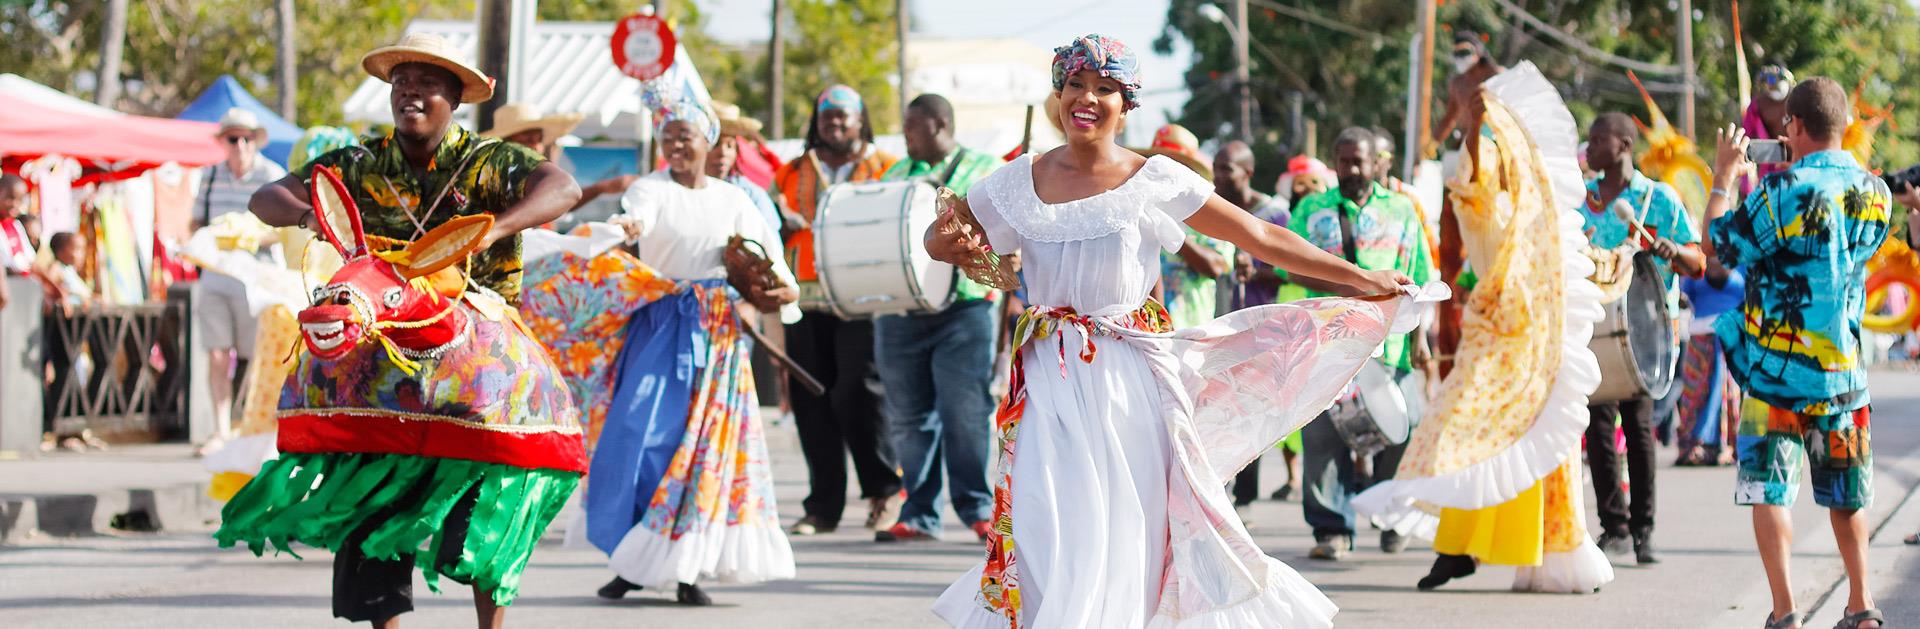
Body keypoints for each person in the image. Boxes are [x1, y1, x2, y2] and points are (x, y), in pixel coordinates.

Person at [926, 34, 1418, 628]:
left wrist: (1358, 276)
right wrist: (961, 246)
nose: (1087, 98)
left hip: (1126, 381)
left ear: (1127, 103)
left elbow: (1259, 238)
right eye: (1075, 84)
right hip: (1046, 379)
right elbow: (943, 237)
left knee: (1126, 523)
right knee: (1044, 515)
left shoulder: (1155, 178)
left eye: (1106, 88)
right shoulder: (1014, 180)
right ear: (1058, 92)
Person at [236, 33, 583, 627]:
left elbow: (564, 189)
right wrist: (310, 217)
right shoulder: (360, 162)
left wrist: (497, 228)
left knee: (484, 489)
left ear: (455, 97)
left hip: (478, 343)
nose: (411, 93)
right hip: (382, 347)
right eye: (402, 84)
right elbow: (265, 197)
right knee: (371, 487)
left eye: (427, 83)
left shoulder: (489, 160)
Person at [1353, 61, 1615, 596]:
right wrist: (1473, 129)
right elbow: (1469, 187)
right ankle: (1456, 549)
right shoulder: (1485, 187)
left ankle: (1549, 554)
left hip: (1540, 334)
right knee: (1461, 428)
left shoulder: (1540, 198)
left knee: (1545, 437)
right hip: (1495, 332)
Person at [584, 75, 800, 606]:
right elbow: (638, 217)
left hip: (717, 333)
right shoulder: (649, 190)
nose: (676, 144)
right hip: (659, 323)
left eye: (685, 135)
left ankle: (687, 567)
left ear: (708, 140)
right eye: (668, 136)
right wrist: (627, 227)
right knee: (638, 432)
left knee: (705, 443)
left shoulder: (734, 199)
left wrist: (783, 292)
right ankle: (632, 558)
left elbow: (770, 261)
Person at [1706, 77, 1887, 629]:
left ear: (1798, 126)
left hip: (1774, 375)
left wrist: (1723, 176)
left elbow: (1718, 248)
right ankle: (1860, 604)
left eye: (1785, 123)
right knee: (1847, 495)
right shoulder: (1874, 192)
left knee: (1769, 488)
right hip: (1843, 373)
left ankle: (1785, 611)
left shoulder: (1779, 191)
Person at [1284, 128, 1436, 559]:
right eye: (1344, 160)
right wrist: (1346, 287)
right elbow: (1290, 267)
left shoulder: (1403, 210)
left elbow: (1419, 274)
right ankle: (1331, 529)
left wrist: (1421, 338)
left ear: (1377, 163)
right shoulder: (1313, 210)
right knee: (1323, 437)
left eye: (1359, 161)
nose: (1352, 169)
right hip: (1329, 340)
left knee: (1405, 426)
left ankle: (1391, 516)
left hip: (1392, 342)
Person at [868, 94, 1006, 543]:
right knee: (909, 417)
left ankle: (977, 508)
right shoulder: (893, 176)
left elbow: (1005, 225)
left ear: (940, 123)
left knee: (964, 411)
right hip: (900, 309)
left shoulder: (985, 168)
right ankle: (920, 513)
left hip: (964, 308)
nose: (905, 135)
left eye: (913, 126)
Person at [771, 84, 904, 536]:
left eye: (844, 117)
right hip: (804, 298)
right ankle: (822, 507)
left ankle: (884, 492)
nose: (836, 124)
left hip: (864, 295)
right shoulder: (791, 172)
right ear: (817, 122)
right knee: (812, 397)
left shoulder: (887, 166)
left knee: (859, 393)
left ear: (860, 120)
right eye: (828, 117)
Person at [1580, 112, 1705, 565]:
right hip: (1594, 325)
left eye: (1598, 140)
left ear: (1625, 144)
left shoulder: (1658, 198)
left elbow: (1697, 261)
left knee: (1638, 427)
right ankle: (1612, 526)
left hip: (1646, 327)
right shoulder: (1581, 201)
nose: (1590, 148)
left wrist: (1675, 251)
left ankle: (1643, 529)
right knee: (1596, 427)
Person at [193, 109, 288, 454]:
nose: (240, 145)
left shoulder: (271, 175)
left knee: (254, 356)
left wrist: (248, 239)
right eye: (233, 138)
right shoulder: (210, 177)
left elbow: (284, 231)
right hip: (215, 275)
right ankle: (219, 428)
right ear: (224, 142)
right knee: (217, 354)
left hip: (256, 278)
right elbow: (195, 224)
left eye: (247, 138)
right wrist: (208, 242)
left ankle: (244, 427)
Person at [1215, 140, 1297, 507]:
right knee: (1217, 411)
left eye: (1226, 169)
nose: (1218, 176)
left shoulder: (1275, 214)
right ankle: (1218, 490)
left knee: (1250, 410)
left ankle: (1243, 497)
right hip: (1215, 322)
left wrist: (1260, 271)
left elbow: (1294, 266)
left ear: (1247, 172)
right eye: (1216, 167)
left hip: (1262, 326)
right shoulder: (1209, 208)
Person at [484, 102, 636, 211]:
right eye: (528, 139)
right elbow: (552, 202)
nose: (536, 146)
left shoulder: (531, 174)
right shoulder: (491, 176)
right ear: (506, 143)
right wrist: (600, 188)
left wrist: (600, 188)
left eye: (539, 139)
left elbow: (558, 201)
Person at [707, 102, 783, 233]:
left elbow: (771, 242)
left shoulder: (751, 194)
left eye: (730, 146)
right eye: (715, 144)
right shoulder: (681, 191)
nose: (723, 152)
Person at [1430, 30, 1506, 157]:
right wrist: (1432, 143)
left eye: (1464, 52)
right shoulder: (1458, 84)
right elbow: (1449, 118)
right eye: (1456, 53)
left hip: (1497, 146)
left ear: (1478, 51)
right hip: (1469, 145)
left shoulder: (1498, 76)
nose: (1460, 57)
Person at [46, 232, 89, 310]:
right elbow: (46, 287)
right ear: (60, 251)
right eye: (77, 249)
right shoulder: (56, 267)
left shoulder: (70, 270)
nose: (82, 254)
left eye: (83, 249)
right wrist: (64, 294)